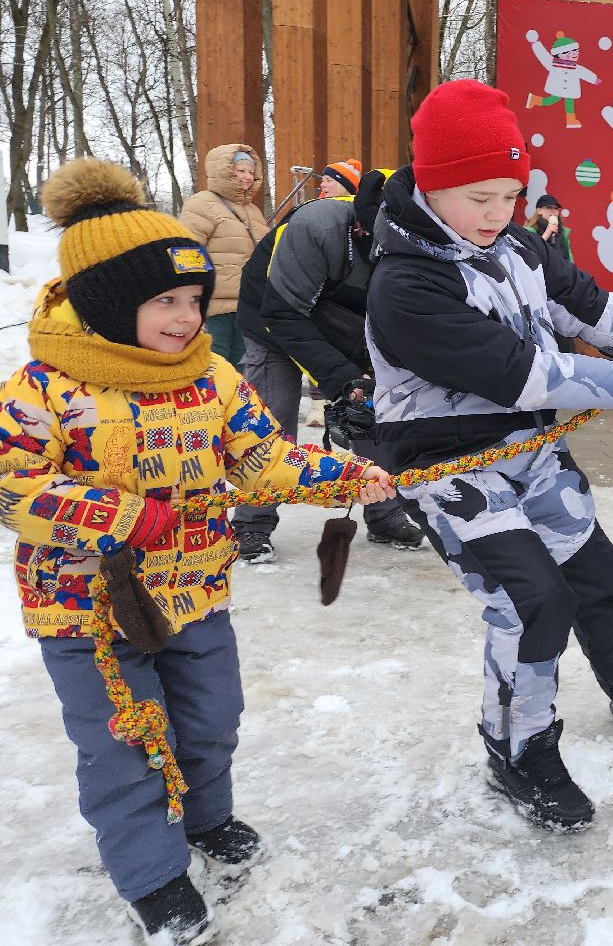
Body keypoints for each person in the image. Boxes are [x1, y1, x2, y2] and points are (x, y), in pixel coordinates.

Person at [0, 159, 394, 945]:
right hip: (85, 608)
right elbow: (12, 484)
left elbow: (262, 460)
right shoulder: (41, 388)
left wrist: (347, 474)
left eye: (192, 297)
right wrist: (117, 517)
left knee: (212, 718)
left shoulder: (211, 378)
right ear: (110, 302)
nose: (187, 316)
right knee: (127, 739)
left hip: (194, 592)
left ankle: (207, 817)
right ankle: (152, 872)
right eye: (165, 301)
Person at [365, 79, 613, 831]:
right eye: (479, 197)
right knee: (532, 603)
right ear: (431, 185)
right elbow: (518, 372)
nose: (497, 215)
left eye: (511, 195)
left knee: (597, 579)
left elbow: (592, 309)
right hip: (446, 464)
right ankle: (518, 748)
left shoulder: (519, 244)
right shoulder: (406, 283)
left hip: (530, 448)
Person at [232, 168, 424, 563]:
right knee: (272, 417)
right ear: (363, 226)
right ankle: (252, 522)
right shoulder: (316, 225)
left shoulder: (421, 240)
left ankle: (383, 510)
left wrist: (364, 381)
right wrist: (339, 379)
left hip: (346, 324)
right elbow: (282, 314)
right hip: (273, 318)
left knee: (371, 413)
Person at [179, 144, 269, 367]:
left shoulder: (253, 212)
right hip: (214, 306)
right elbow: (187, 252)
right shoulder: (202, 203)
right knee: (213, 363)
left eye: (250, 172)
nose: (247, 177)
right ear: (224, 171)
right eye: (240, 171)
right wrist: (191, 297)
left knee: (242, 365)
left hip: (246, 304)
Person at [523, 194, 573, 262]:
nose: (553, 211)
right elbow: (529, 255)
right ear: (539, 211)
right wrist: (547, 233)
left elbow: (568, 259)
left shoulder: (563, 233)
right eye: (549, 207)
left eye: (556, 208)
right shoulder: (529, 232)